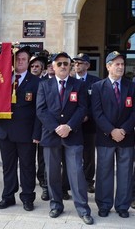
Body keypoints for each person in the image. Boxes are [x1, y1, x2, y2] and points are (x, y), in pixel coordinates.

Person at [36, 51, 93, 225]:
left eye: (65, 64)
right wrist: (56, 128)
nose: (62, 66)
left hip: (73, 135)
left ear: (70, 66)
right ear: (53, 66)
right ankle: (56, 205)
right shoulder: (44, 85)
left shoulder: (78, 85)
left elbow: (82, 108)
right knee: (52, 173)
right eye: (59, 63)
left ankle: (83, 209)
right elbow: (41, 110)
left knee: (76, 174)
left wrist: (68, 126)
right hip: (51, 136)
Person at [0, 46, 40, 211]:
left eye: (23, 59)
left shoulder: (37, 82)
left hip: (26, 133)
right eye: (17, 59)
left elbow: (39, 111)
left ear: (28, 61)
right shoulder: (1, 77)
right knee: (8, 166)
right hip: (4, 130)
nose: (20, 62)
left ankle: (27, 197)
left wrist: (37, 133)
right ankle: (8, 196)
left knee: (27, 166)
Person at [91, 51, 135, 218]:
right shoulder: (98, 87)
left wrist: (123, 130)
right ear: (108, 66)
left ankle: (123, 206)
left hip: (126, 137)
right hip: (105, 137)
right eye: (117, 64)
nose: (121, 67)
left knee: (125, 173)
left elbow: (134, 113)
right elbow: (97, 112)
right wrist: (111, 131)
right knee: (104, 172)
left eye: (122, 64)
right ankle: (104, 204)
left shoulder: (131, 86)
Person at [73, 53, 100, 193]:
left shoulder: (96, 82)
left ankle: (89, 181)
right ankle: (72, 180)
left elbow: (97, 104)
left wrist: (87, 115)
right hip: (73, 125)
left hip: (89, 125)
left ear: (88, 65)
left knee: (88, 155)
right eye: (76, 62)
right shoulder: (69, 80)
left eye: (81, 63)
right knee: (72, 154)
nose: (77, 65)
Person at [29, 55, 49, 201]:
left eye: (37, 66)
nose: (35, 68)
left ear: (42, 68)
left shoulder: (46, 83)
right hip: (28, 126)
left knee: (42, 157)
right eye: (32, 66)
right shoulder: (25, 82)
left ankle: (43, 180)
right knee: (29, 156)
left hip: (42, 126)